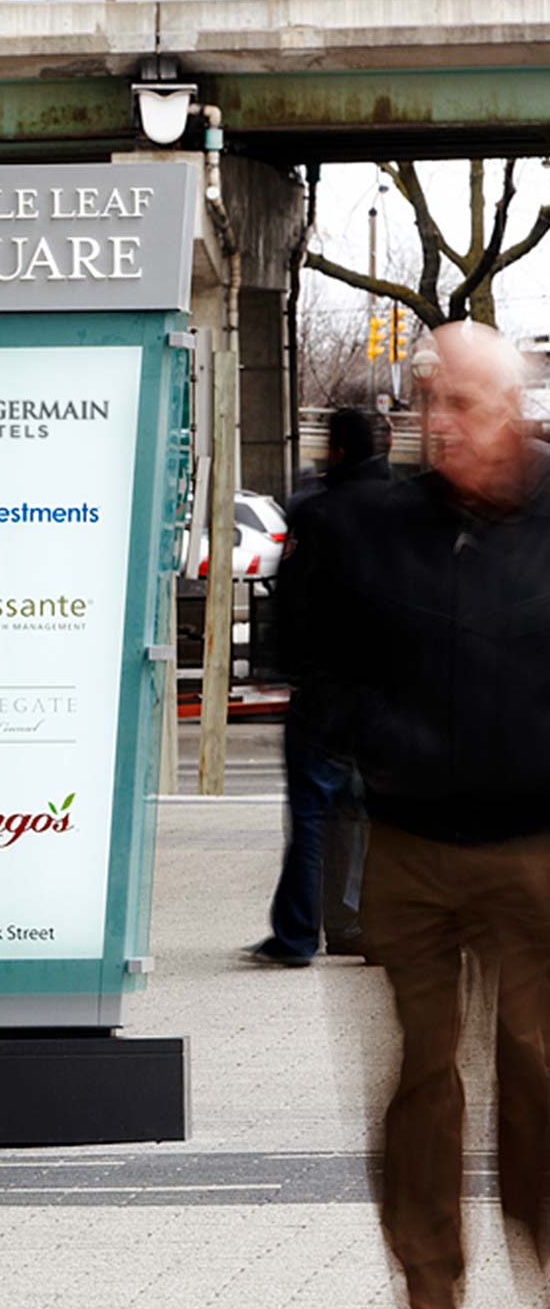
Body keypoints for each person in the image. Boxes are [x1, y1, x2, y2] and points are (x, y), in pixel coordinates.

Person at [325, 322, 550, 1309]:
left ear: (512, 411)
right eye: (429, 403)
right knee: (419, 1077)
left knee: (538, 1068)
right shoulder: (381, 525)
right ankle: (432, 1303)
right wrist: (366, 740)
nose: (439, 424)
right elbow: (320, 658)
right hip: (410, 836)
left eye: (461, 405)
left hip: (536, 844)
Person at [247, 408, 390, 968]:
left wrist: (286, 668)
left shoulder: (315, 510)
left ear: (337, 452)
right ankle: (365, 926)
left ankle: (298, 935)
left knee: (311, 810)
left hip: (326, 688)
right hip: (388, 691)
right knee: (376, 813)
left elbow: (292, 602)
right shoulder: (405, 509)